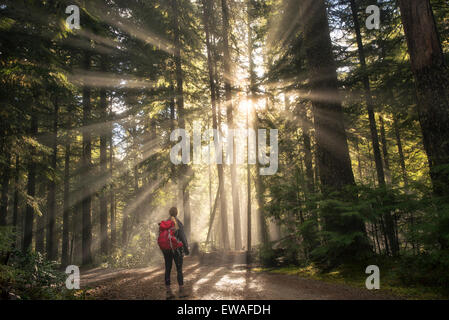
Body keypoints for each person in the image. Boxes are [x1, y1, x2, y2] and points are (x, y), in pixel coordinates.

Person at [161, 207, 189, 299]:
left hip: (166, 249)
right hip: (177, 249)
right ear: (177, 213)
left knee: (168, 268)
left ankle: (168, 291)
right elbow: (182, 237)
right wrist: (186, 248)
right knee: (179, 269)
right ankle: (181, 291)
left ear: (169, 213)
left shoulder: (165, 223)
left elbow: (161, 237)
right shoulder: (178, 222)